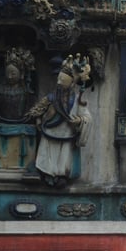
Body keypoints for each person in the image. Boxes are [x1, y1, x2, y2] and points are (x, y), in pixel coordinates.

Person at [27, 55, 92, 187]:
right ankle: (46, 172)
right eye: (59, 78)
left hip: (67, 133)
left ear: (72, 82)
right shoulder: (51, 97)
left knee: (64, 156)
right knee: (47, 152)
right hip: (50, 129)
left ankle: (61, 175)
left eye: (63, 79)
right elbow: (38, 109)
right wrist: (39, 119)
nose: (59, 82)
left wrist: (80, 120)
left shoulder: (78, 99)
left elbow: (87, 117)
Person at [0, 47, 37, 171]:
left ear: (21, 74)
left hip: (21, 127)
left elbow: (31, 115)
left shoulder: (27, 93)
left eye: (13, 73)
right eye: (8, 73)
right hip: (0, 126)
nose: (10, 76)